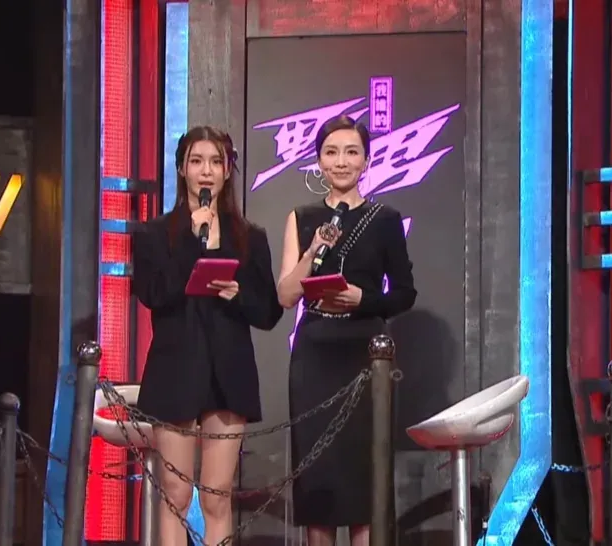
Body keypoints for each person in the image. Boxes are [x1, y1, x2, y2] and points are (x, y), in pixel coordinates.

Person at [132, 126, 284, 546]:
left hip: (228, 374)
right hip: (176, 370)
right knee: (175, 494)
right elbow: (153, 294)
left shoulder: (249, 237)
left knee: (217, 496)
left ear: (227, 171)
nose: (206, 171)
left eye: (216, 162)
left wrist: (238, 295)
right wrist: (189, 241)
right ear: (182, 169)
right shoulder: (154, 234)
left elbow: (268, 312)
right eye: (197, 161)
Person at [277, 115, 417, 546]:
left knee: (362, 483)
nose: (341, 161)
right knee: (318, 483)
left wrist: (363, 299)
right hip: (314, 357)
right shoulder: (301, 217)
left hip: (364, 356)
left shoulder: (385, 218)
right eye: (331, 152)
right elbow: (285, 294)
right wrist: (313, 252)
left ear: (366, 160)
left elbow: (405, 293)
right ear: (319, 161)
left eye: (351, 152)